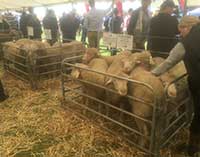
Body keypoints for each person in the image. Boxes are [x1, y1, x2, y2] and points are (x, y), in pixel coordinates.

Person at [151, 16, 200, 157]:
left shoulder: (186, 42)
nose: (181, 35)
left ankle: (193, 147)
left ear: (187, 27)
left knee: (199, 114)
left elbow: (169, 62)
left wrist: (152, 74)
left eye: (181, 31)